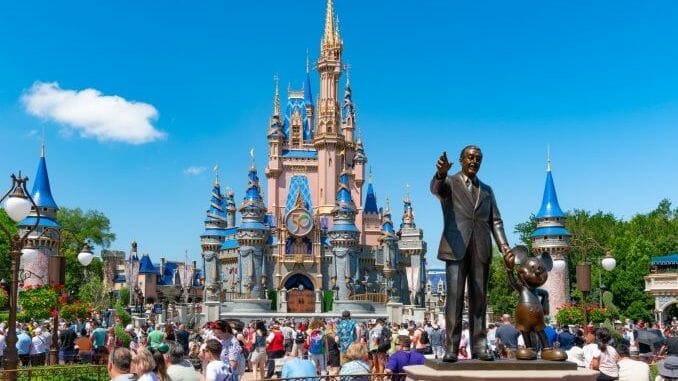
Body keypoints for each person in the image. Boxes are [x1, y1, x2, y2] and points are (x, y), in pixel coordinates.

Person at [430, 146, 513, 362]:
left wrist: (504, 246)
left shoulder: (487, 190)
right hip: (455, 247)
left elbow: (496, 221)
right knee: (455, 299)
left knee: (480, 300)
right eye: (470, 157)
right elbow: (436, 189)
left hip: (481, 249)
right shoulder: (449, 182)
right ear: (461, 160)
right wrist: (440, 174)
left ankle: (480, 345)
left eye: (478, 158)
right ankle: (451, 347)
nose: (474, 161)